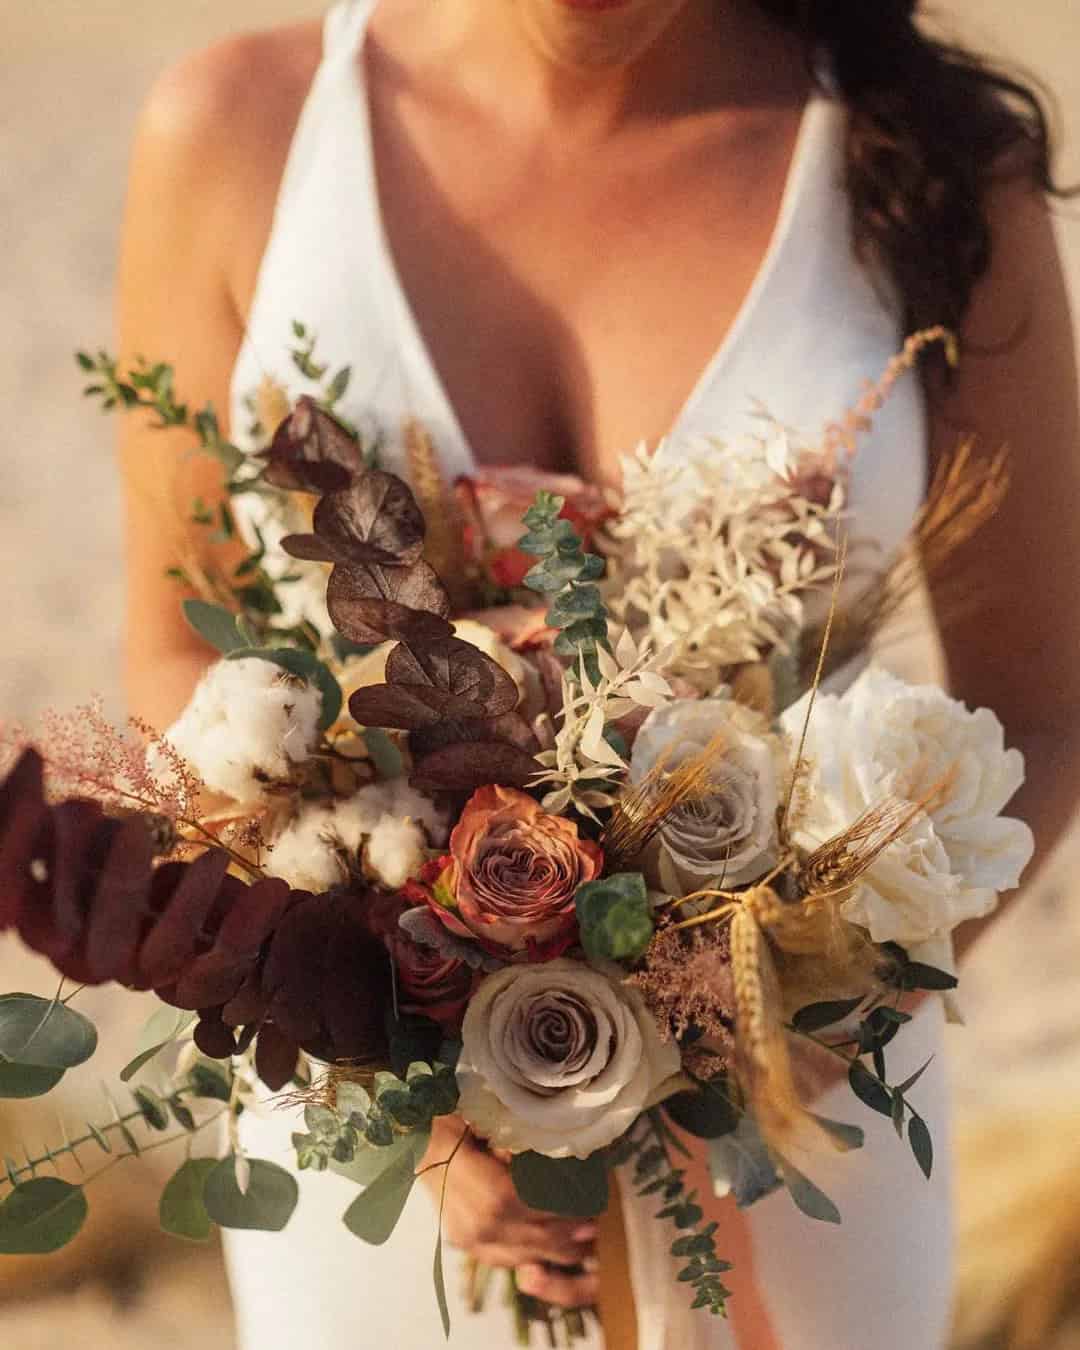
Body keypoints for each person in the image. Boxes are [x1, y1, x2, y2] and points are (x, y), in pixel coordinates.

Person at [116, 0, 1080, 1345]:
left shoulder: (927, 158)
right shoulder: (242, 133)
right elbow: (178, 641)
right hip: (378, 1137)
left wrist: (800, 1020)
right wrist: (377, 1030)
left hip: (802, 1124)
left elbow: (1037, 710)